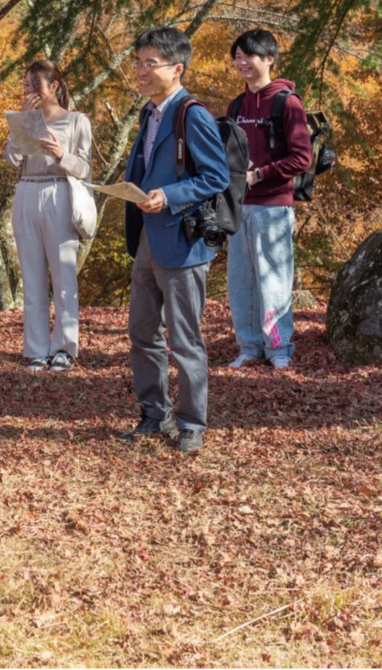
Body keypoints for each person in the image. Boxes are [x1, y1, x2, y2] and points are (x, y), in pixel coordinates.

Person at [118, 27, 229, 454]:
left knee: (185, 338)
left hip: (182, 241)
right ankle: (153, 413)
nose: (141, 71)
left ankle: (192, 423)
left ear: (177, 69)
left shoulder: (192, 113)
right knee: (142, 332)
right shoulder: (149, 112)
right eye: (138, 62)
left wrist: (170, 195)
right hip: (148, 236)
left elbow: (215, 177)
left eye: (151, 64)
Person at [225, 29, 312, 372]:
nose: (242, 62)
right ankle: (248, 347)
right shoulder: (236, 105)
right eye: (237, 56)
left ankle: (279, 348)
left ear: (269, 59)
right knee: (241, 281)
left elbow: (301, 158)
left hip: (274, 205)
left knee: (273, 281)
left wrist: (259, 175)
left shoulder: (286, 102)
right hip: (238, 205)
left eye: (249, 56)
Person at [4, 60, 92, 372]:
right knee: (32, 276)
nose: (29, 91)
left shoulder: (77, 121)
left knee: (64, 276)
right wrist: (22, 124)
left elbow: (84, 169)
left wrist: (60, 155)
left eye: (34, 85)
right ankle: (36, 349)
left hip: (60, 192)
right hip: (27, 191)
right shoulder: (25, 118)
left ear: (53, 86)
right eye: (25, 86)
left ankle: (65, 347)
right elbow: (12, 159)